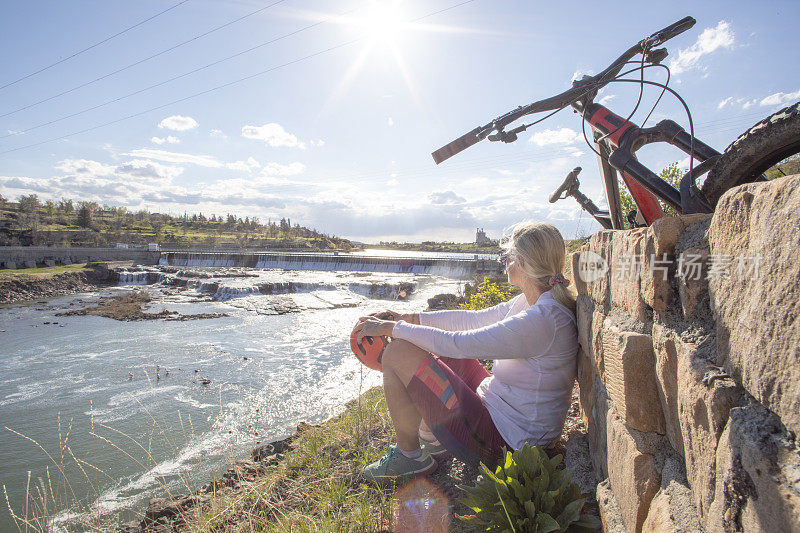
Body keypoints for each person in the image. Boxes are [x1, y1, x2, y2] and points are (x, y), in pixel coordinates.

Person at [352, 221, 579, 481]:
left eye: (507, 257)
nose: (504, 261)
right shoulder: (532, 303)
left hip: (508, 444)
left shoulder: (543, 319)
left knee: (397, 352)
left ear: (525, 264)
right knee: (418, 341)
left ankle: (409, 457)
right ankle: (431, 438)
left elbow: (459, 343)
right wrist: (408, 317)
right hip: (500, 411)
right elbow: (471, 320)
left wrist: (394, 328)